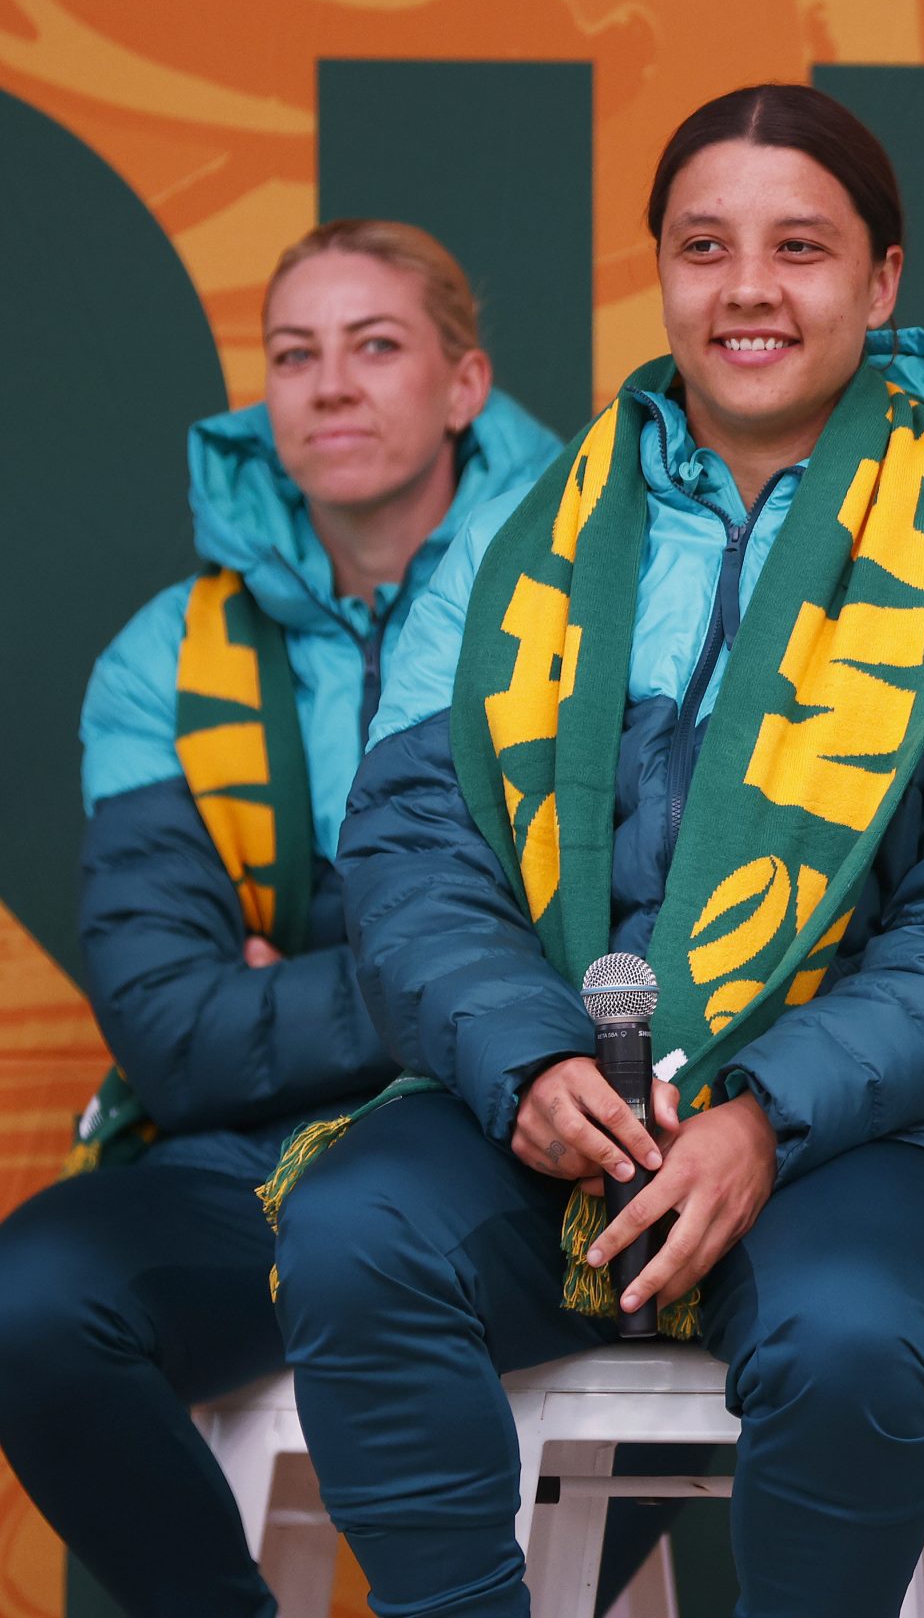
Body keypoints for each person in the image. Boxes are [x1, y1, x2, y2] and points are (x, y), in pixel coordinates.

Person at [265, 83, 924, 1617]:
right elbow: (412, 850)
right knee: (354, 1226)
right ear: (656, 274)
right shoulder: (514, 536)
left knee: (852, 1330)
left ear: (881, 282)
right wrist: (531, 1067)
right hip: (559, 1113)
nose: (746, 288)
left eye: (800, 247)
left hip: (869, 1140)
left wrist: (767, 1115)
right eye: (702, 245)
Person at [0, 220, 559, 1618]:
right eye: (295, 355)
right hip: (246, 1165)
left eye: (377, 346)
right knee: (31, 1303)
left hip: (519, 1158)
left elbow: (626, 966)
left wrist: (305, 981)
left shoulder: (590, 606)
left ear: (465, 382)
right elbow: (176, 1034)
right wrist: (457, 982)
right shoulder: (164, 659)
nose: (328, 386)